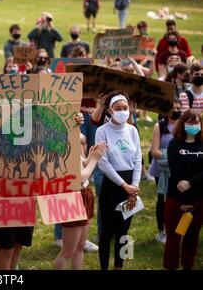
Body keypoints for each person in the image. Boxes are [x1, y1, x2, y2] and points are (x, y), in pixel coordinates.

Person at [95, 91, 142, 270]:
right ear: (109, 110)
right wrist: (124, 186)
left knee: (124, 232)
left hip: (131, 184)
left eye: (125, 108)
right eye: (118, 108)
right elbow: (103, 163)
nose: (122, 111)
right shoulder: (102, 131)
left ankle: (119, 267)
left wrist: (134, 188)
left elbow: (138, 159)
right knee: (107, 232)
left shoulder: (132, 130)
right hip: (112, 185)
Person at [54, 135, 107, 270]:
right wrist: (94, 159)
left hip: (83, 194)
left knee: (80, 246)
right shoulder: (58, 146)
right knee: (67, 252)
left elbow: (81, 165)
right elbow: (79, 177)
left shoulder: (70, 144)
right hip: (71, 197)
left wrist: (89, 157)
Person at [164, 109, 203, 270]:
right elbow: (176, 172)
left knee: (192, 237)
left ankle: (188, 266)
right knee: (173, 236)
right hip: (176, 198)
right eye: (189, 122)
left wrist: (192, 183)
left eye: (196, 122)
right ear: (182, 124)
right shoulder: (174, 144)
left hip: (198, 199)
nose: (193, 125)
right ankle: (171, 266)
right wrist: (184, 201)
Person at [148, 100, 182, 244]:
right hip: (161, 170)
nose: (176, 111)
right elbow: (154, 151)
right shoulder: (160, 126)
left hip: (180, 170)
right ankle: (162, 231)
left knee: (179, 200)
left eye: (179, 108)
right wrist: (173, 156)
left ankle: (177, 229)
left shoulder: (184, 126)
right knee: (163, 200)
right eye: (173, 108)